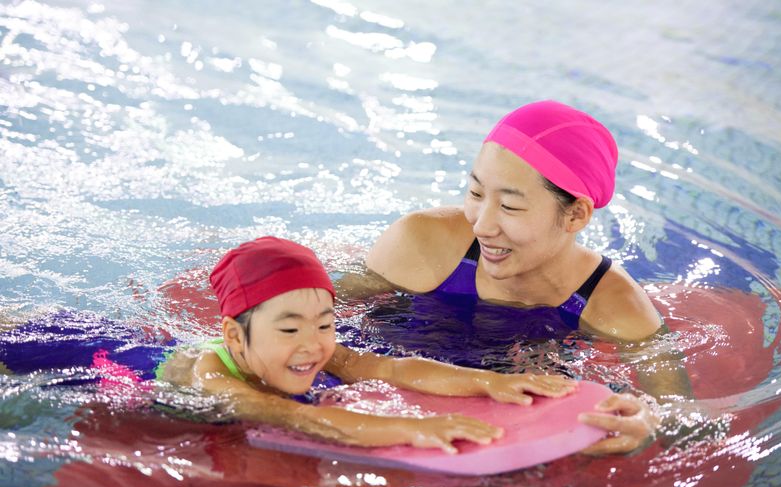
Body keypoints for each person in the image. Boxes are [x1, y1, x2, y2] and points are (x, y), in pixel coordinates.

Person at [360, 100, 689, 454]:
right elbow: (322, 320)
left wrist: (649, 422)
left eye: (510, 206)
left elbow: (681, 416)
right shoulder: (420, 243)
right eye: (476, 193)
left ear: (576, 215)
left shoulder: (617, 308)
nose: (481, 225)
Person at [157, 236, 576, 454]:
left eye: (324, 324)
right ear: (235, 336)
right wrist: (413, 430)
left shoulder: (314, 349)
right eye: (289, 330)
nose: (312, 345)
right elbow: (294, 416)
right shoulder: (210, 374)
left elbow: (390, 368)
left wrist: (488, 382)